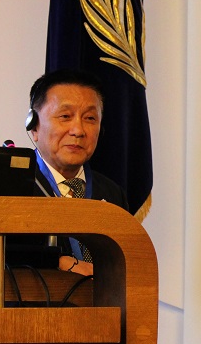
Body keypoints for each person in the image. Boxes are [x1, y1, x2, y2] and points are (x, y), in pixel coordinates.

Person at [26, 68, 128, 275]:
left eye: (90, 118)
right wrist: (55, 261)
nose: (78, 130)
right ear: (34, 127)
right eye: (65, 116)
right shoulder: (14, 188)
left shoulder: (112, 193)